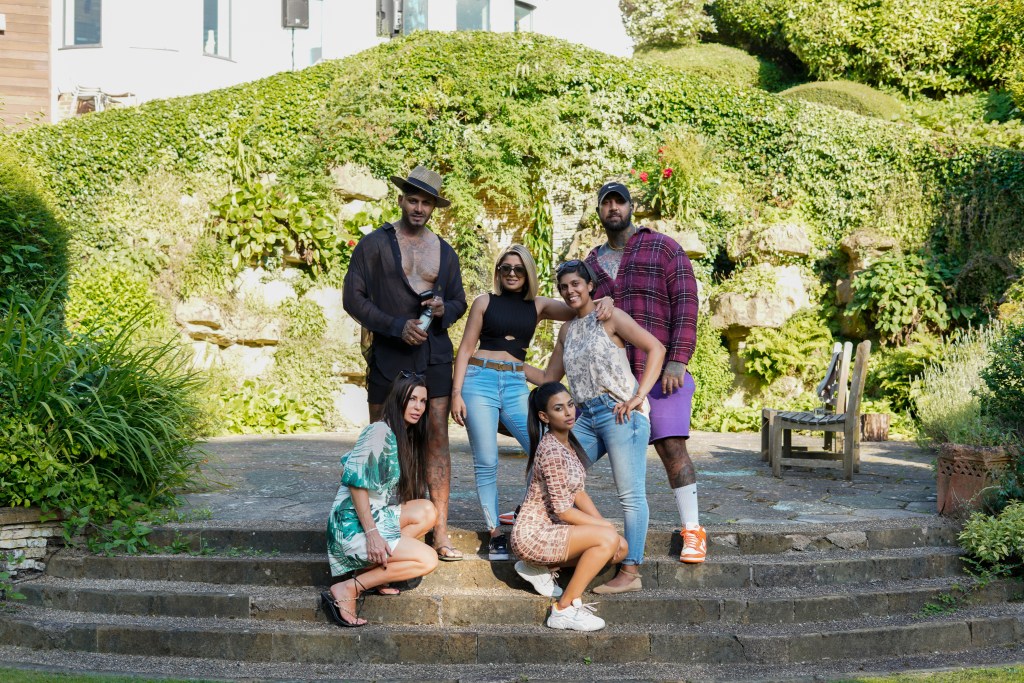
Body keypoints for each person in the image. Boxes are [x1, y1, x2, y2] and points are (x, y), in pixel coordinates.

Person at [450, 245, 612, 561]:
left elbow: (579, 306)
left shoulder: (539, 306)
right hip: (478, 380)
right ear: (498, 271)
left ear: (528, 273)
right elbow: (466, 349)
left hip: (514, 382)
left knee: (545, 447)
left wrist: (607, 301)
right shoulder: (484, 302)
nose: (511, 274)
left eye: (518, 269)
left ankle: (531, 512)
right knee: (486, 460)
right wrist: (456, 393)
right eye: (506, 268)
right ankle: (495, 534)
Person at [343, 165, 468, 561]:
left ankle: (440, 531)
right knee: (382, 439)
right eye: (412, 200)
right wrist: (397, 326)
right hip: (389, 353)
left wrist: (443, 308)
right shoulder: (373, 245)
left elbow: (460, 301)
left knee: (437, 439)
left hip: (434, 355)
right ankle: (382, 527)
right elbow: (353, 299)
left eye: (426, 203)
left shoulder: (445, 252)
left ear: (434, 208)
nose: (418, 208)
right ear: (400, 200)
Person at [584, 181, 706, 565]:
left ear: (631, 206)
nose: (613, 208)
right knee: (576, 450)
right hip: (614, 382)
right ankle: (551, 514)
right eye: (606, 203)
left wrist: (678, 358)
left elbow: (686, 303)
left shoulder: (663, 248)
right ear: (599, 211)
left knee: (672, 447)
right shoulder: (591, 263)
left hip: (661, 372)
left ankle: (693, 530)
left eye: (619, 201)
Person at [527, 260, 665, 594]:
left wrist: (639, 396)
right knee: (554, 476)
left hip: (620, 412)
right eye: (563, 287)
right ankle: (558, 551)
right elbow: (548, 378)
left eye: (576, 284)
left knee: (630, 493)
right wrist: (508, 364)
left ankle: (630, 571)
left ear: (590, 286)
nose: (569, 291)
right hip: (584, 416)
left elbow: (656, 348)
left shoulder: (610, 316)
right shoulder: (567, 331)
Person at [323, 373, 439, 627]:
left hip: (372, 515)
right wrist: (372, 534)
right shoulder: (379, 431)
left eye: (422, 401)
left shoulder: (398, 435)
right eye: (412, 399)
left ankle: (372, 571)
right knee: (428, 559)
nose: (418, 407)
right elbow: (355, 483)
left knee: (427, 510)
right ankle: (349, 587)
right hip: (351, 526)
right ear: (398, 400)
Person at [511, 382, 628, 631]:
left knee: (620, 548)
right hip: (534, 534)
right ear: (544, 417)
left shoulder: (566, 443)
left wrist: (604, 526)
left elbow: (579, 492)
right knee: (608, 539)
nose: (568, 412)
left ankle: (540, 567)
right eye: (558, 408)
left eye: (571, 405)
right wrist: (605, 529)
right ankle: (563, 609)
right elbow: (563, 510)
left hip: (554, 530)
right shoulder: (551, 450)